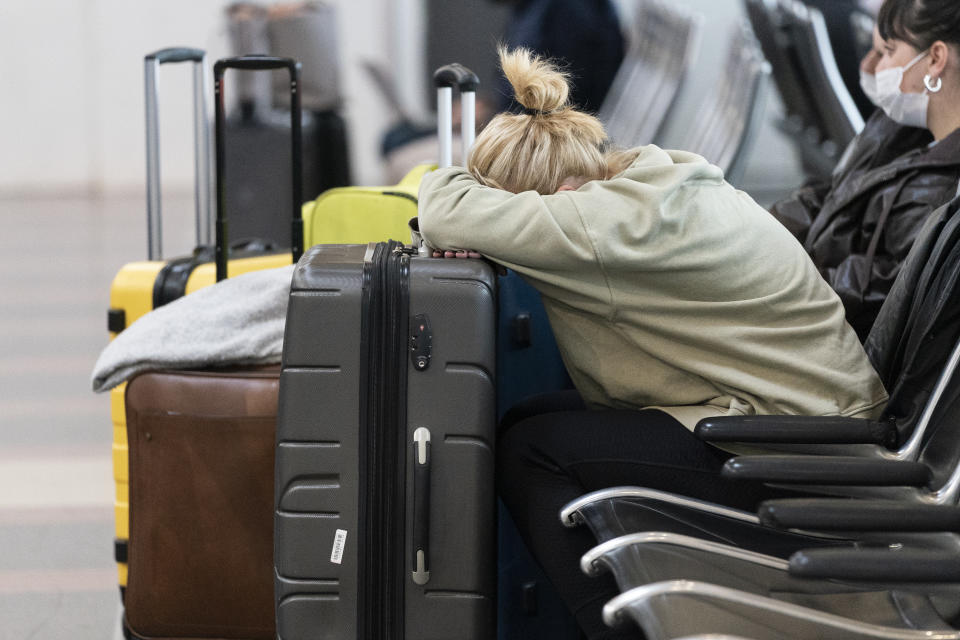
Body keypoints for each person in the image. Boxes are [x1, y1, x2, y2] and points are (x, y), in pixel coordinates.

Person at [418, 47, 888, 639]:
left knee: (529, 452)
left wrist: (482, 214)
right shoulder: (652, 179)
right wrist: (502, 218)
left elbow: (441, 207)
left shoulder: (598, 225)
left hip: (805, 451)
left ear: (559, 194)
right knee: (527, 419)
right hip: (813, 414)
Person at [771, 0, 960, 340]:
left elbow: (875, 300)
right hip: (803, 301)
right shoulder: (904, 127)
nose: (872, 66)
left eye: (888, 51)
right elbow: (834, 194)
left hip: (820, 336)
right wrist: (755, 230)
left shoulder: (941, 191)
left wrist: (769, 274)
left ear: (935, 59)